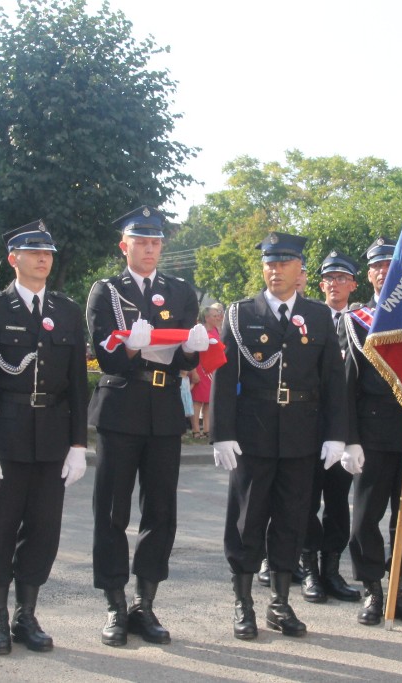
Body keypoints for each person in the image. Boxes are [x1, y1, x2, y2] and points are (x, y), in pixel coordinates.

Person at [211, 231, 347, 640]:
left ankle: (280, 603)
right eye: (270, 263)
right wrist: (222, 433)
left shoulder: (317, 315)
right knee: (247, 519)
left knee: (292, 518)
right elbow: (224, 375)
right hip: (252, 433)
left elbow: (333, 380)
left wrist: (337, 434)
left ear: (299, 269)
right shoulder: (241, 313)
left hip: (301, 433)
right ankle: (243, 603)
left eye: (284, 263)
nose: (275, 270)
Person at [0, 219, 89, 656]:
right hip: (6, 435)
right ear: (12, 259)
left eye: (48, 253)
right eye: (34, 252)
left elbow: (78, 384)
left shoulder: (66, 310)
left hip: (52, 437)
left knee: (43, 530)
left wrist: (78, 445)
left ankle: (26, 614)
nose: (43, 259)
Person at [86, 205, 206, 647]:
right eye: (141, 242)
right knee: (112, 511)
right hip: (121, 405)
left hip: (163, 408)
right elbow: (107, 357)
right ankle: (115, 604)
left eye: (156, 242)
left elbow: (186, 357)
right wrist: (132, 349)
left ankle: (145, 603)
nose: (150, 249)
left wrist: (192, 351)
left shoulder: (180, 291)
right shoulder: (106, 291)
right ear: (125, 246)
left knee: (160, 511)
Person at [343, 237, 402, 628]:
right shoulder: (357, 320)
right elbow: (347, 386)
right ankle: (372, 590)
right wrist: (349, 439)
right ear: (369, 275)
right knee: (365, 517)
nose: (384, 272)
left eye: (390, 266)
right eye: (377, 267)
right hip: (373, 434)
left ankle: (401, 589)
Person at [298, 250, 360, 603]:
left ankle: (332, 570)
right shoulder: (308, 318)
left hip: (345, 427)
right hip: (309, 425)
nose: (335, 284)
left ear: (353, 285)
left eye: (342, 278)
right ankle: (309, 569)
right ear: (320, 285)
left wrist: (355, 436)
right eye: (329, 279)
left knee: (338, 501)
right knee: (306, 500)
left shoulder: (364, 322)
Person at [190, 305, 222, 437]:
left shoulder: (216, 330)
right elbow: (191, 351)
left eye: (218, 315)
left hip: (212, 370)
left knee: (209, 400)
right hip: (199, 368)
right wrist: (193, 372)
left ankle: (207, 429)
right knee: (197, 401)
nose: (218, 318)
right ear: (207, 318)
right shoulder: (198, 330)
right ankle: (195, 430)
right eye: (215, 316)